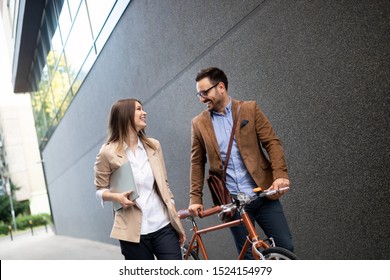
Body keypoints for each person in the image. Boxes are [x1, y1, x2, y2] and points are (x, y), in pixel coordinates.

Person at [188, 67, 294, 258]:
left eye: (205, 92)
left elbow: (272, 143)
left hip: (262, 194)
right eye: (199, 94)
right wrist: (195, 199)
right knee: (248, 257)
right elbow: (197, 162)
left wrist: (280, 176)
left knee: (285, 247)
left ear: (221, 87)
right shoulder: (199, 123)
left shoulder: (249, 109)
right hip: (232, 203)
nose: (202, 99)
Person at [94, 98, 186, 260]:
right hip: (132, 232)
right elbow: (99, 190)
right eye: (138, 109)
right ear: (125, 114)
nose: (144, 113)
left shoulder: (153, 146)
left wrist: (175, 219)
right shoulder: (107, 152)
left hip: (163, 224)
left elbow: (164, 184)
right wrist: (116, 197)